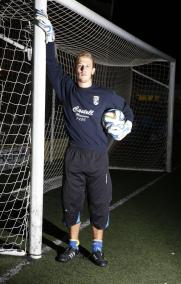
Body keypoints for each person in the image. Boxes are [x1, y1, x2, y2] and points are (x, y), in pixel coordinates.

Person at [35, 10, 134, 267]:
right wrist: (50, 39)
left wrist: (127, 125)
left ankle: (98, 249)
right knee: (71, 203)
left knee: (100, 204)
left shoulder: (107, 95)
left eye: (86, 66)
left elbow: (127, 109)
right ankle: (72, 246)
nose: (82, 68)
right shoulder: (67, 89)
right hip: (74, 156)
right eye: (79, 64)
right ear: (76, 67)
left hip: (97, 158)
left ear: (93, 70)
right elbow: (52, 67)